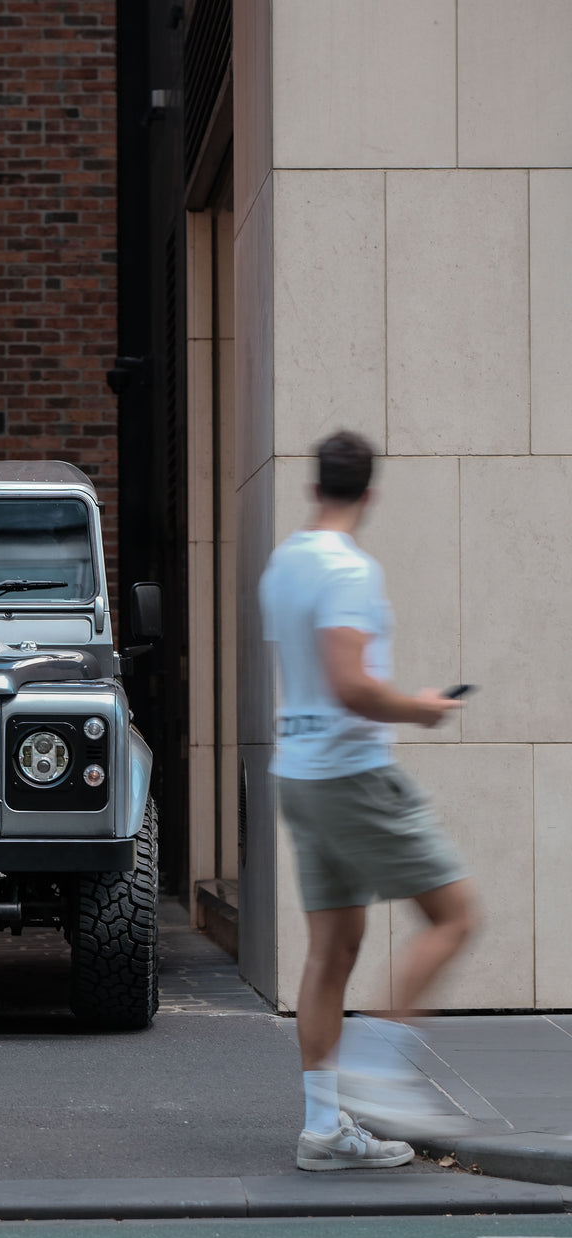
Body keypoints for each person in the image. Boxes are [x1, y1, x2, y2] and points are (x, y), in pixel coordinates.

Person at [258, 430, 477, 1172]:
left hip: (301, 772)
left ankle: (324, 1130)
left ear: (315, 485)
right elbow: (351, 684)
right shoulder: (348, 569)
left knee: (333, 949)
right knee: (456, 916)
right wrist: (421, 708)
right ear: (370, 494)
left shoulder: (284, 563)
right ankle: (376, 1070)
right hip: (353, 774)